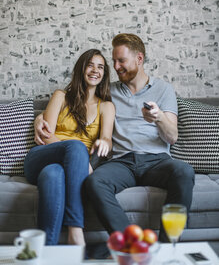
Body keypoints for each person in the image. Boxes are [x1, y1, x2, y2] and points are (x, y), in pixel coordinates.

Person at [34, 33, 195, 243]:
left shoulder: (163, 89)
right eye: (114, 61)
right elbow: (79, 98)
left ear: (139, 59)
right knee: (94, 182)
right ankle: (131, 243)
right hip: (122, 162)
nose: (116, 67)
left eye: (121, 61)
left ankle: (166, 247)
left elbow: (172, 136)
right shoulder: (108, 91)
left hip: (157, 161)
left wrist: (159, 117)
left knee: (184, 171)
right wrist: (39, 118)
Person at [24, 49, 115, 246]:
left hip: (58, 168)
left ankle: (47, 250)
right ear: (81, 68)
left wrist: (103, 143)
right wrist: (77, 158)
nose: (95, 70)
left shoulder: (106, 106)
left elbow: (106, 139)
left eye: (100, 67)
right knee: (76, 147)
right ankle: (76, 231)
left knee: (53, 174)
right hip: (41, 157)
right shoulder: (61, 96)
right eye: (90, 65)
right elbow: (46, 136)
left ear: (104, 74)